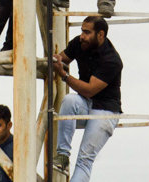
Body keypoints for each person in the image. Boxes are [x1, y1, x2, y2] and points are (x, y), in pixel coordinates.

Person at [50, 16, 122, 182]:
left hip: (106, 111)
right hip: (86, 104)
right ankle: (62, 157)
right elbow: (62, 58)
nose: (82, 35)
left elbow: (90, 90)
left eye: (87, 32)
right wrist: (55, 60)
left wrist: (64, 75)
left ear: (100, 35)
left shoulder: (112, 60)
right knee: (69, 100)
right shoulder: (79, 43)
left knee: (84, 160)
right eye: (82, 31)